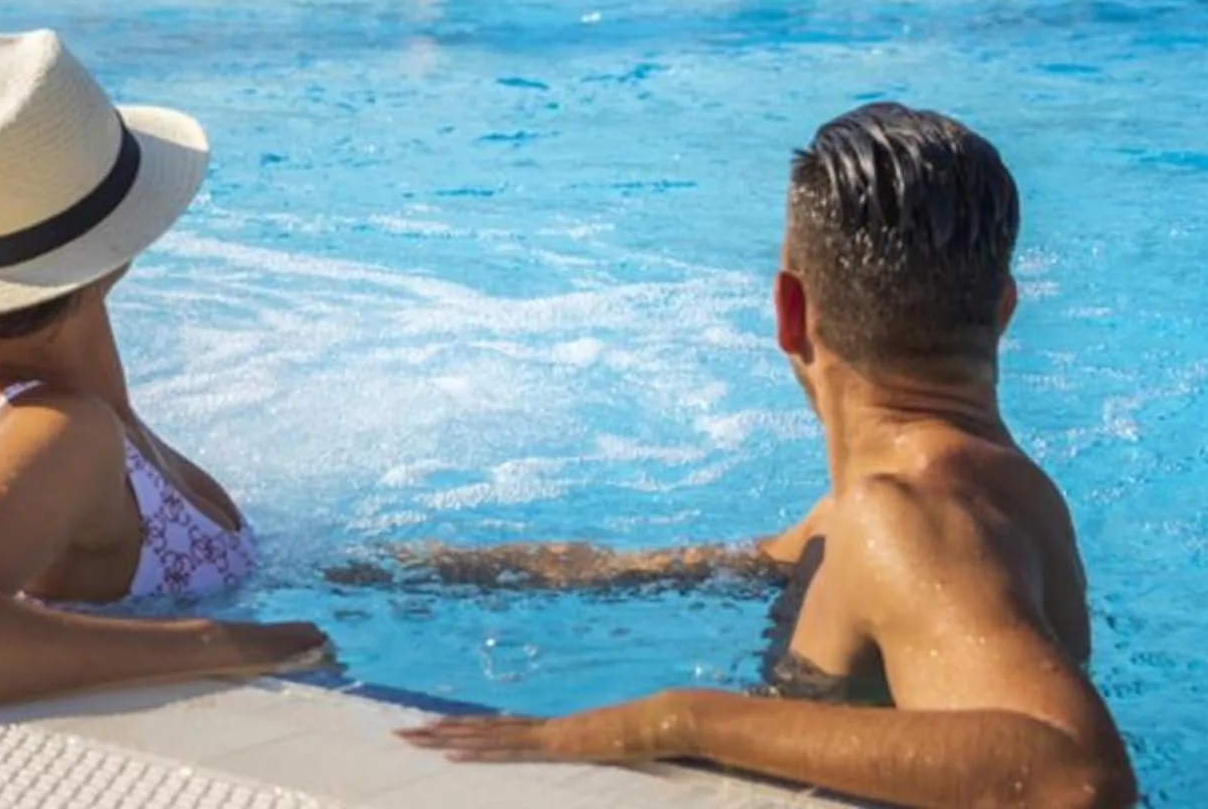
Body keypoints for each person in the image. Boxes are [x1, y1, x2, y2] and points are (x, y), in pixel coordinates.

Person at [395, 105, 1136, 809]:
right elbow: (704, 568)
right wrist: (413, 568)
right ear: (1005, 307)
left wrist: (681, 722)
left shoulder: (903, 519)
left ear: (789, 312)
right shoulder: (969, 491)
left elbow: (1067, 779)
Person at [0, 30, 328, 714]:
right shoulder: (61, 429)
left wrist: (472, 569)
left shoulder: (15, 401)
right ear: (113, 249)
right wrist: (225, 646)